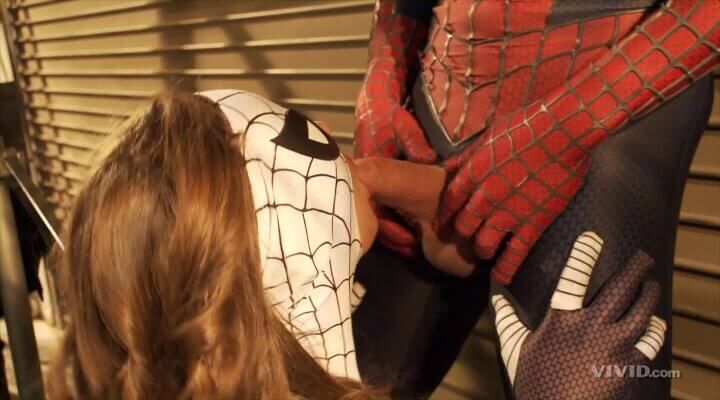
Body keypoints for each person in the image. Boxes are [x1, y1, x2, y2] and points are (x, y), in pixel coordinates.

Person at [352, 0, 718, 398]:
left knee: (582, 379)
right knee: (343, 379)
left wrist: (570, 126)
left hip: (608, 114)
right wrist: (383, 76)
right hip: (429, 109)